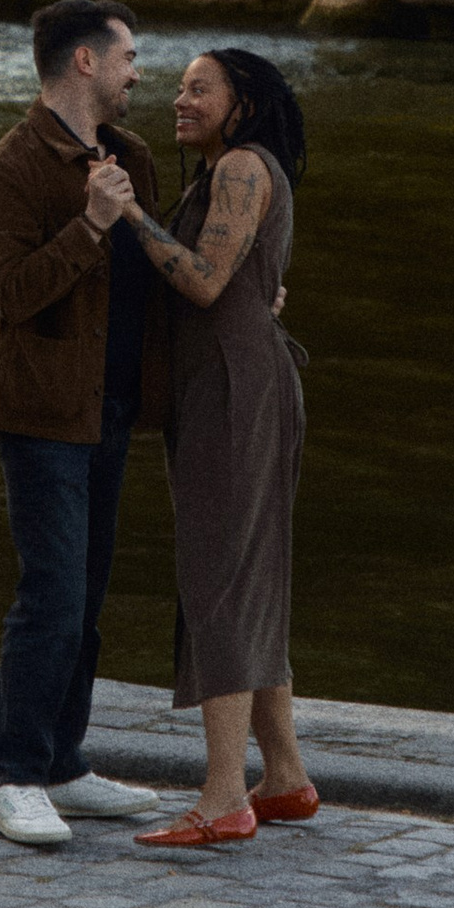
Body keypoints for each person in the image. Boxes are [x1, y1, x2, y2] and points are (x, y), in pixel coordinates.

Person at [0, 0, 168, 850]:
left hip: (110, 407)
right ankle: (14, 777)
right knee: (49, 594)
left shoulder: (134, 157)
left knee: (87, 595)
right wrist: (91, 224)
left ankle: (65, 763)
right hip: (41, 409)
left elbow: (161, 269)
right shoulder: (9, 169)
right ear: (84, 62)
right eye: (128, 56)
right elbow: (8, 294)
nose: (137, 72)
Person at [101, 47, 312, 849]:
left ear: (243, 103)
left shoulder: (241, 171)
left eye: (201, 89)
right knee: (248, 573)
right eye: (180, 88)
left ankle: (226, 796)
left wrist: (128, 212)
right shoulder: (225, 172)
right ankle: (285, 777)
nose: (181, 100)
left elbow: (203, 281)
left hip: (235, 388)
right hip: (228, 382)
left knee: (219, 577)